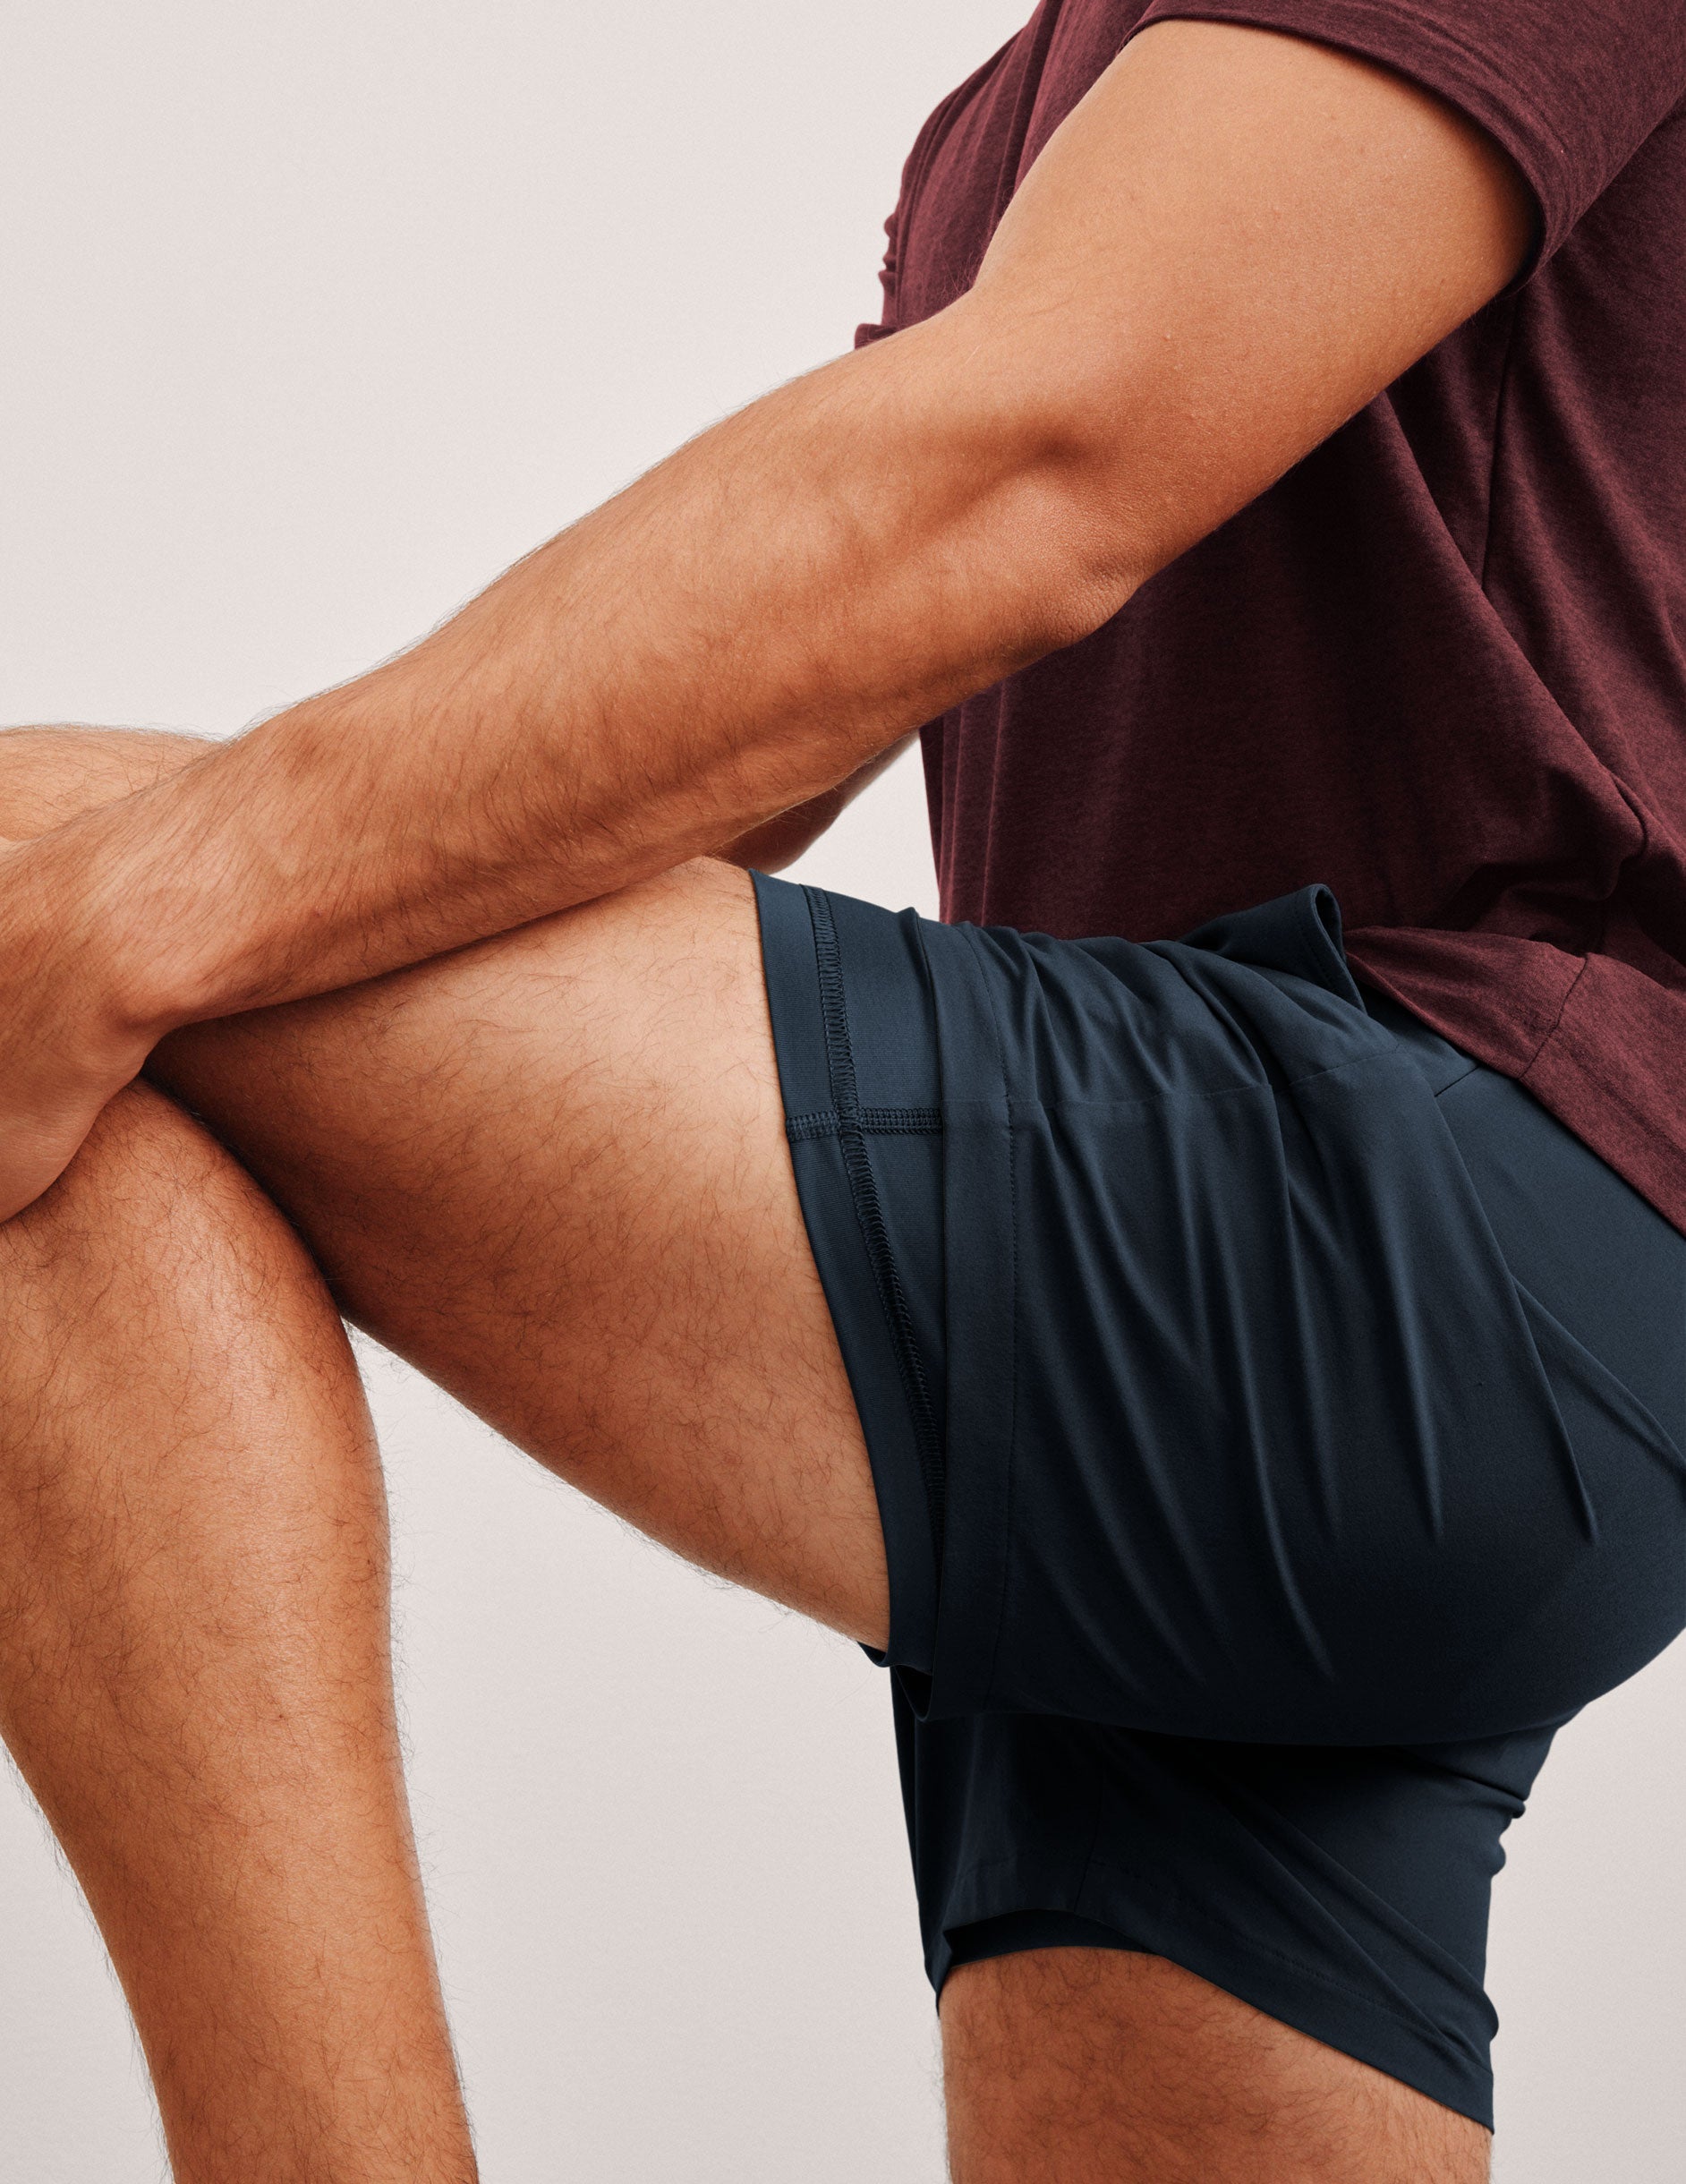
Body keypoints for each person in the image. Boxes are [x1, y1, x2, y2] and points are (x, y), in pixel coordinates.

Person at [2, 3, 1684, 2176]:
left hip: (1412, 1216)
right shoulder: (1020, 114)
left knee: (47, 910)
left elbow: (1024, 466)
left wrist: (158, 900)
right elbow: (782, 696)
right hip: (1202, 1384)